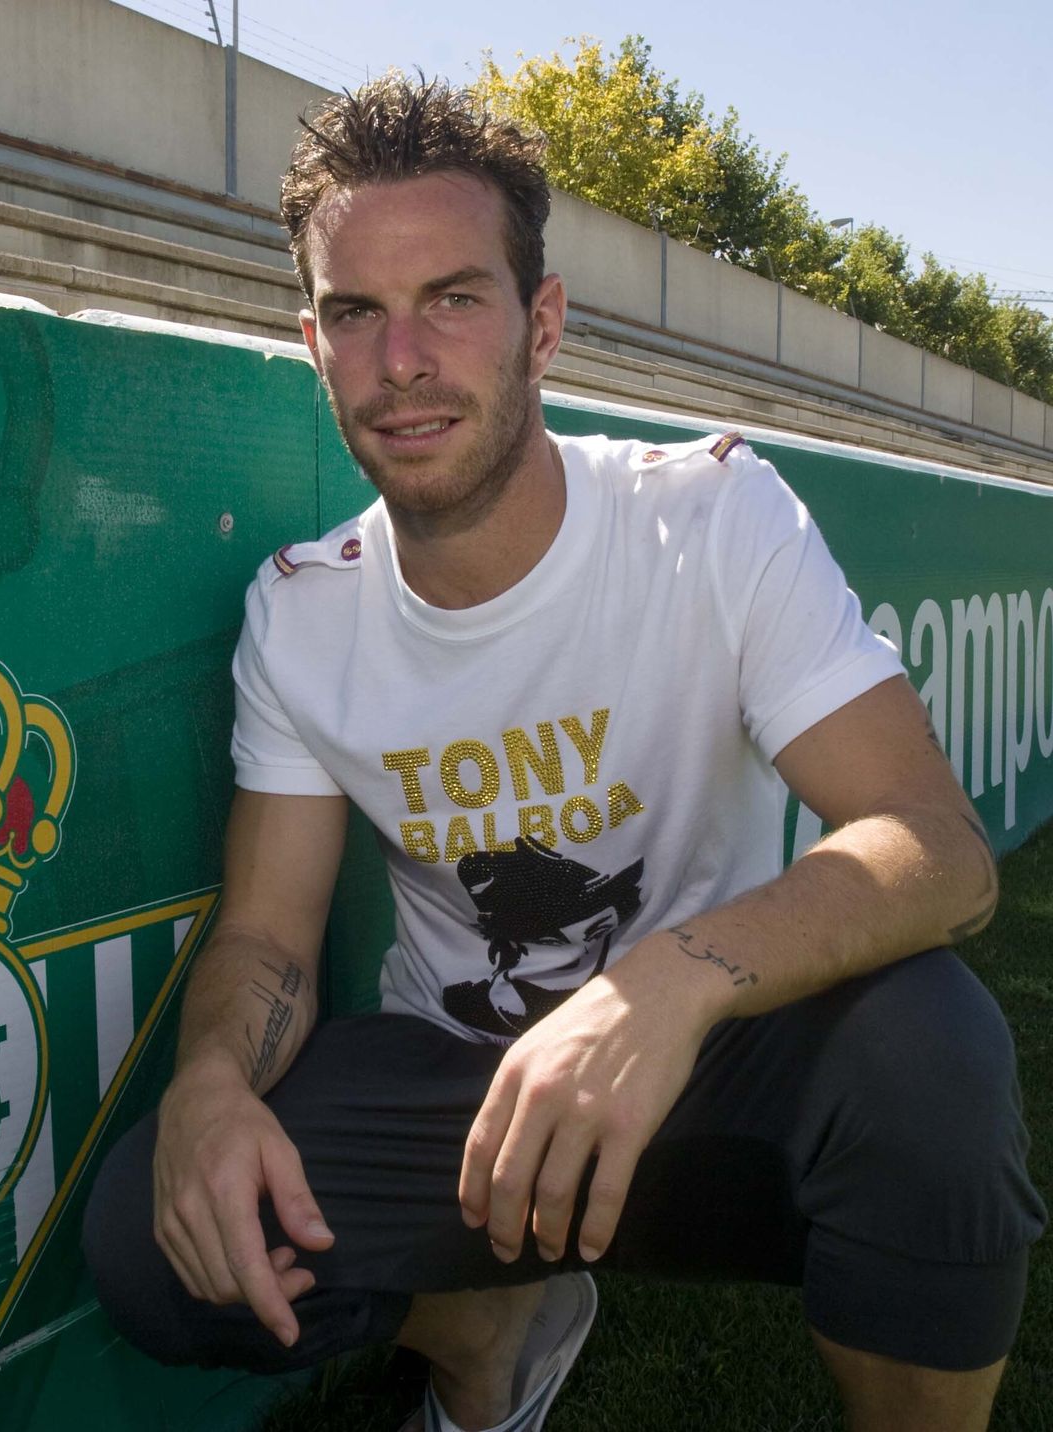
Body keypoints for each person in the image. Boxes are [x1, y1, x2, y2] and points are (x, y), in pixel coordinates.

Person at [82, 74, 1045, 1432]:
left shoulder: (709, 520)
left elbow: (937, 852)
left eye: (453, 300)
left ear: (542, 325)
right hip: (464, 1092)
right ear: (313, 340)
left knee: (933, 1056)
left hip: (713, 1057)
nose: (402, 361)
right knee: (150, 1235)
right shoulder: (301, 615)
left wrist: (665, 985)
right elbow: (269, 940)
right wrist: (208, 1082)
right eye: (358, 312)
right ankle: (492, 1339)